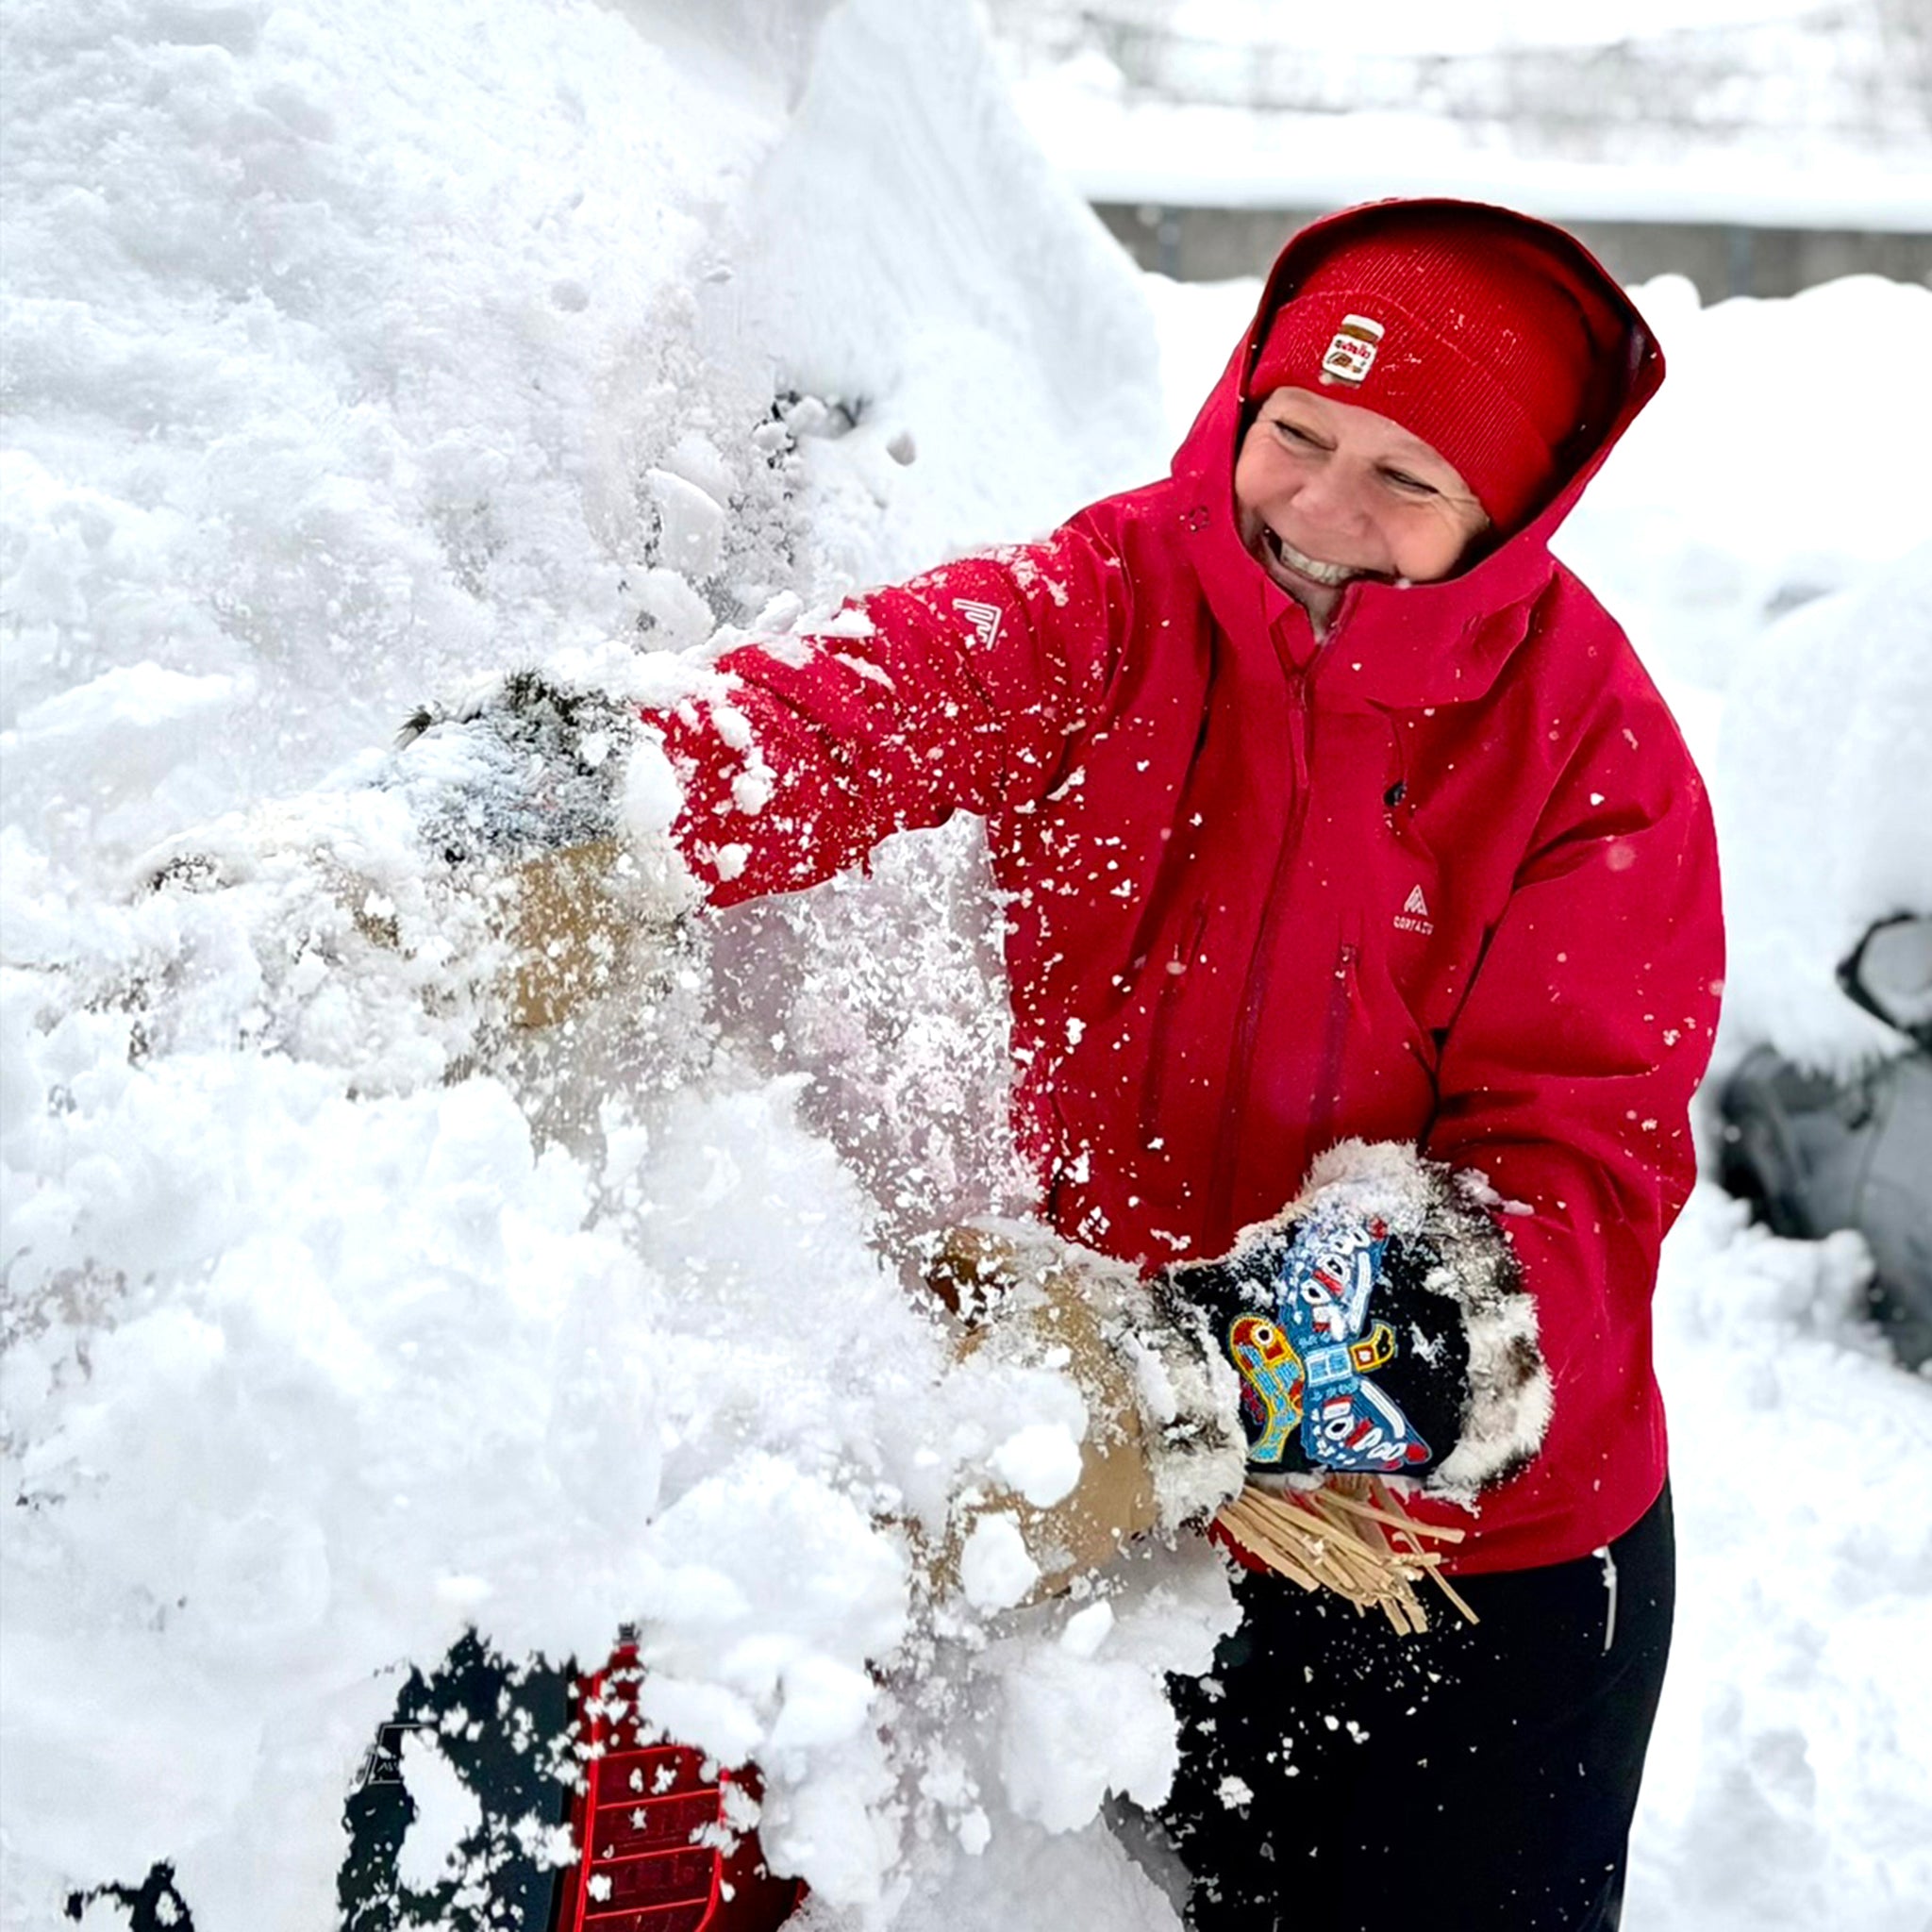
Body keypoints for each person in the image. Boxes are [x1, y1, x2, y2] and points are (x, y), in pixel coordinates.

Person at [633, 197, 1724, 1929]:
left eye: (1404, 479)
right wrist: (581, 803)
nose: (1316, 507)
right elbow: (855, 712)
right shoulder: (1118, 598)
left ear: (1511, 514)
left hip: (1455, 1583)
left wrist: (1211, 1375)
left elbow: (1572, 1204)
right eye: (1297, 433)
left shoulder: (1596, 762)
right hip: (1146, 1524)